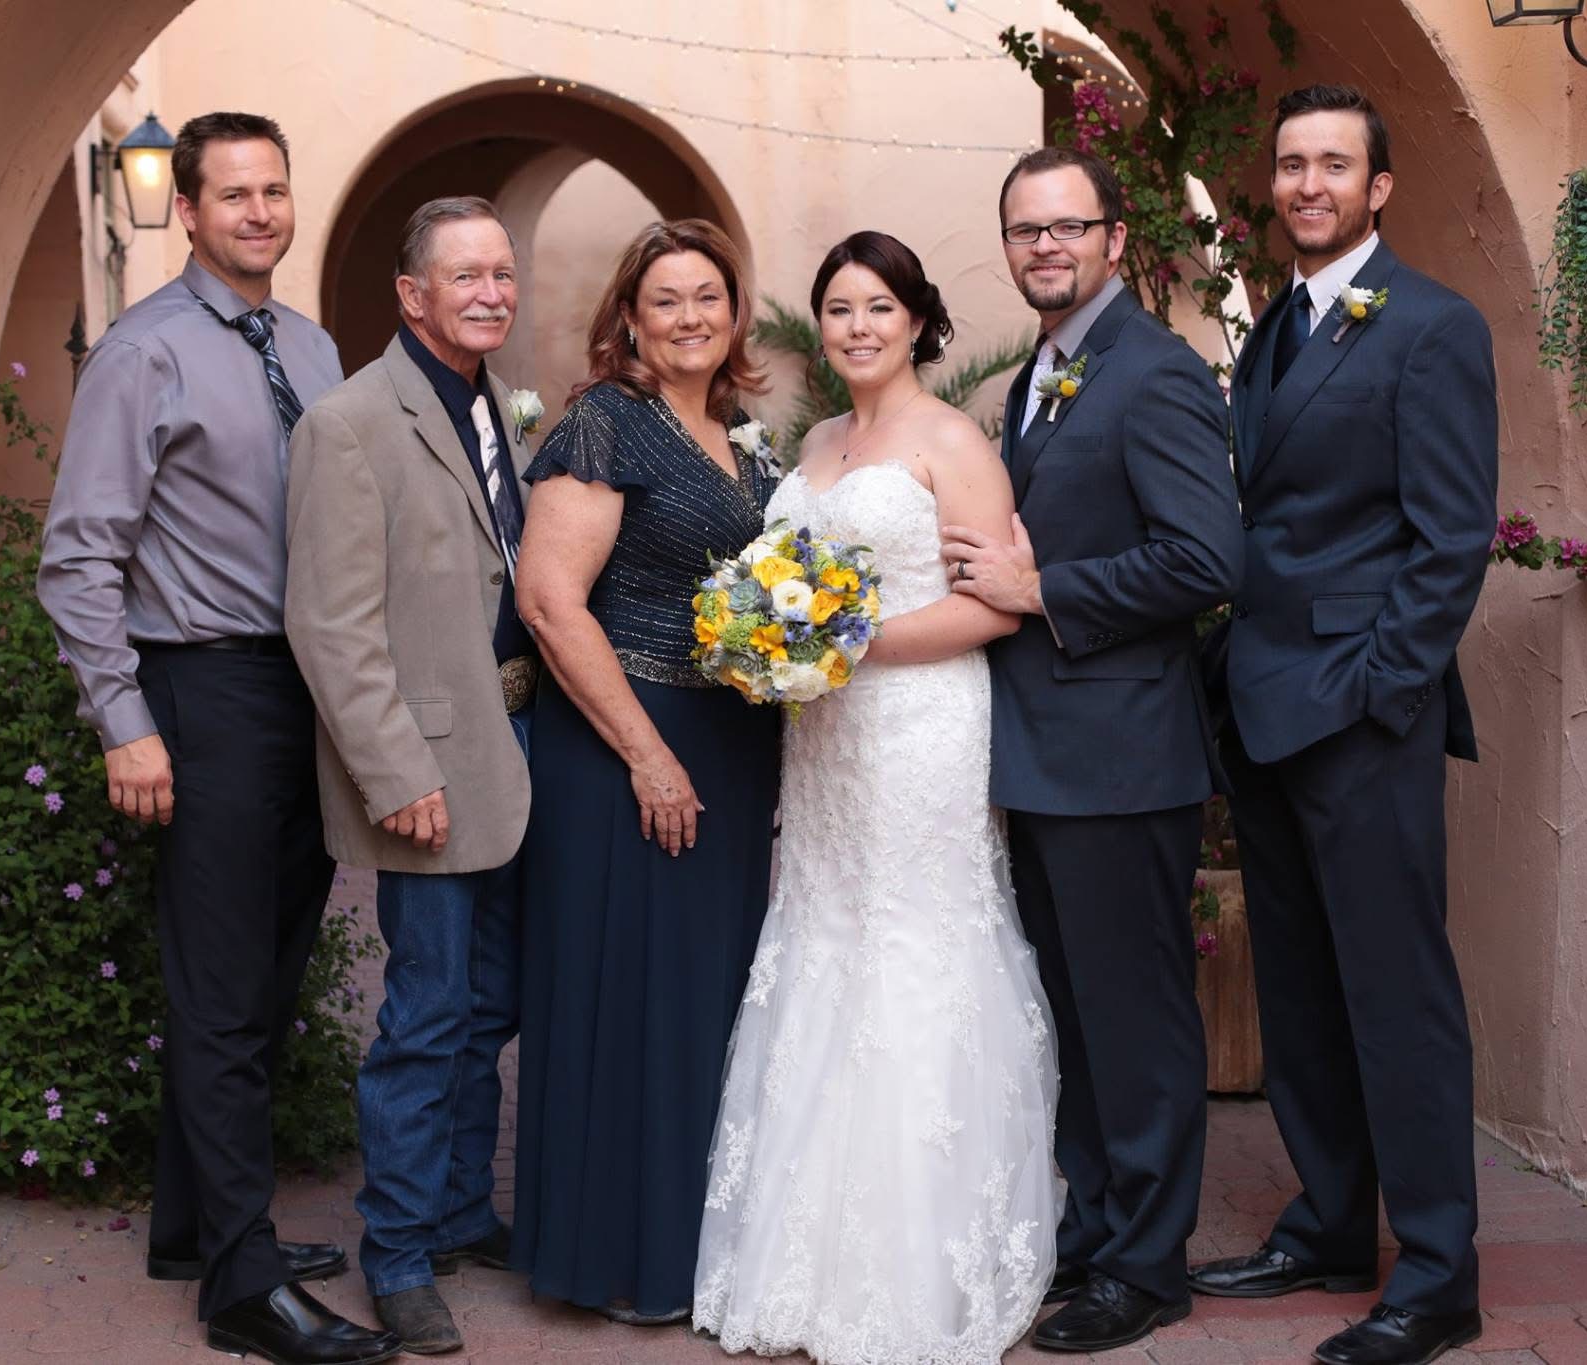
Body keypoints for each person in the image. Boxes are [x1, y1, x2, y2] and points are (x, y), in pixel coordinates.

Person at [36, 111, 397, 1365]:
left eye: (273, 191)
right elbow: (78, 555)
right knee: (222, 988)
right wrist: (125, 723)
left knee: (267, 973)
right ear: (184, 211)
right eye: (231, 193)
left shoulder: (309, 343)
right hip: (203, 692)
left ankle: (199, 1224)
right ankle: (244, 1288)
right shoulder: (143, 353)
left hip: (301, 692)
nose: (257, 212)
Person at [691, 231, 1059, 1364]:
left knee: (912, 950)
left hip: (918, 734)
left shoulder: (952, 441)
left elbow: (992, 608)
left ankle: (915, 1259)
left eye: (877, 309)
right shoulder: (815, 444)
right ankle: (806, 1251)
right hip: (826, 745)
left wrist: (840, 647)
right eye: (837, 309)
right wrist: (773, 647)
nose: (855, 328)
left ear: (917, 322)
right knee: (825, 943)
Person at [1188, 85, 1496, 1365]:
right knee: (1304, 993)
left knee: (1394, 994)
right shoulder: (1270, 329)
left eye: (1334, 165)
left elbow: (1448, 538)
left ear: (1377, 189)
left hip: (1361, 719)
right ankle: (1327, 1222)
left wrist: (1380, 692)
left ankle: (1435, 1272)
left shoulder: (1430, 326)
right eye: (1290, 163)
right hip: (1261, 712)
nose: (1307, 182)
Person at [942, 145, 1244, 1354]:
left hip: (1120, 755)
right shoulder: (1037, 376)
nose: (1044, 248)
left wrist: (1039, 586)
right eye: (1024, 231)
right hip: (1042, 752)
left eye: (1067, 229)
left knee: (1135, 1020)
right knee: (1068, 1009)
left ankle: (1147, 1265)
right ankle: (1095, 1232)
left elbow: (1206, 561)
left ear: (1115, 239)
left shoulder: (1155, 374)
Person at [509, 219, 779, 1326]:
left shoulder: (738, 436)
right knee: (629, 1002)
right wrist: (647, 755)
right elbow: (546, 601)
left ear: (733, 311)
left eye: (706, 296)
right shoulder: (604, 427)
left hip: (725, 749)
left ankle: (689, 1246)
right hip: (627, 749)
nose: (688, 317)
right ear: (628, 316)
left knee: (699, 1005)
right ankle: (617, 1259)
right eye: (664, 299)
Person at [284, 195, 536, 1355]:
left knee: (490, 1004)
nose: (489, 291)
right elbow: (332, 626)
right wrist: (393, 772)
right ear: (411, 295)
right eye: (465, 275)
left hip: (518, 751)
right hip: (424, 764)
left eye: (502, 272)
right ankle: (395, 1256)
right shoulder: (349, 423)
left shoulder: (493, 410)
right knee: (426, 1015)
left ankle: (454, 1212)